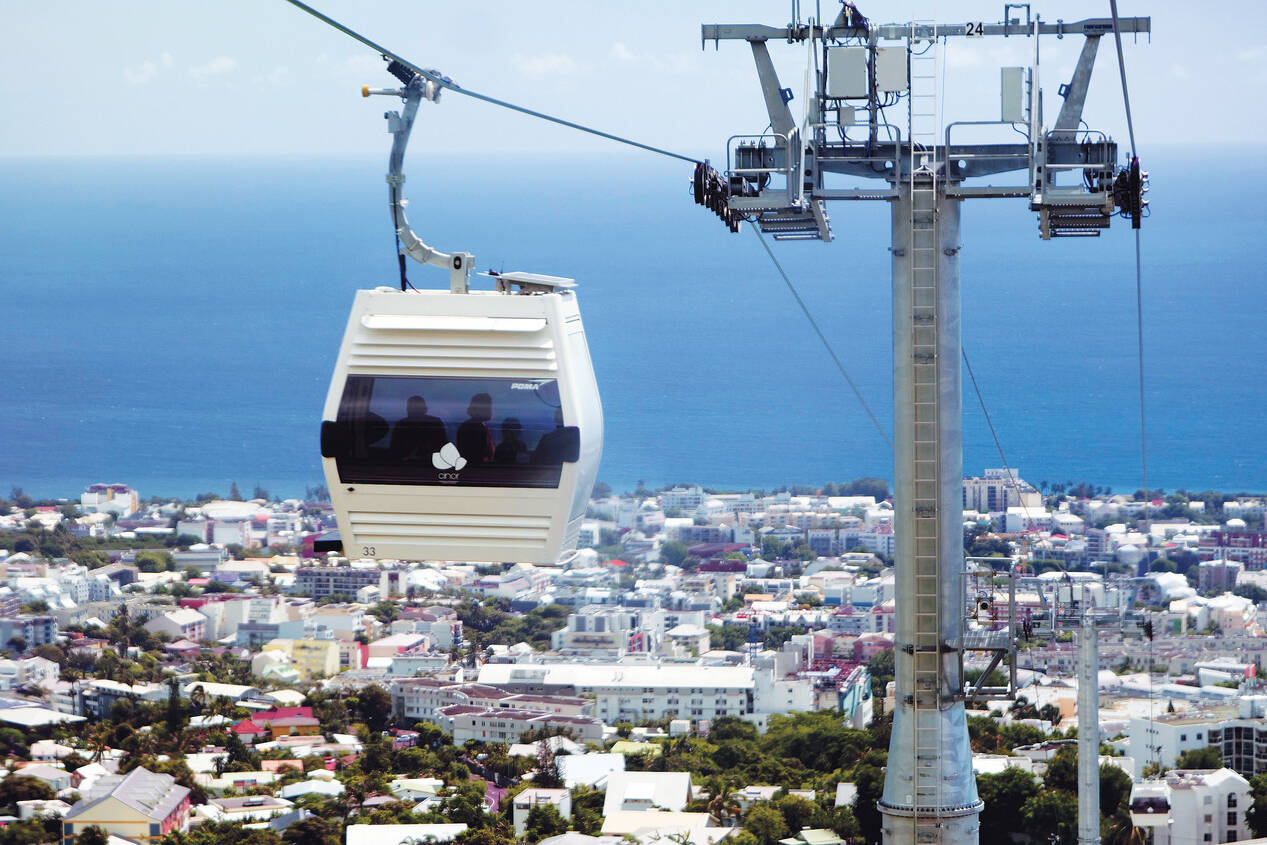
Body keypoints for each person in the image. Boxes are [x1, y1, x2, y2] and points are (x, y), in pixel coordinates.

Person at [390, 395, 449, 462]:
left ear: (425, 410)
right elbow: (394, 451)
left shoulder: (435, 424)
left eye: (416, 409)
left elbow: (443, 448)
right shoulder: (401, 425)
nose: (414, 412)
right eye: (411, 409)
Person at [456, 392, 495, 464]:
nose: (491, 410)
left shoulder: (477, 425)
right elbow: (478, 454)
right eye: (488, 407)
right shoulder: (474, 427)